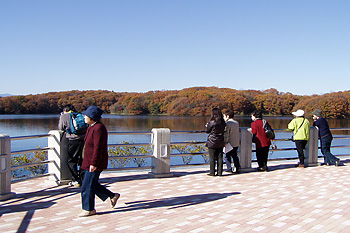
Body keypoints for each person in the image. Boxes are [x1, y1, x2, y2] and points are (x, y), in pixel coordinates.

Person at [79, 105, 120, 217]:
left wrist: (94, 163)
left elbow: (98, 147)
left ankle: (89, 209)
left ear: (92, 117)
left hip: (94, 162)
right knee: (90, 184)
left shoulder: (99, 128)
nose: (84, 117)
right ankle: (112, 196)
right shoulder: (91, 127)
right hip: (87, 161)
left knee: (87, 186)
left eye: (86, 115)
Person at [58, 104, 85, 187]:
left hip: (73, 140)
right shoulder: (80, 115)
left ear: (65, 110)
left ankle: (76, 180)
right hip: (84, 139)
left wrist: (62, 117)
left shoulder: (64, 116)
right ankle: (83, 178)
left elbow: (60, 128)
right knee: (82, 160)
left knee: (71, 160)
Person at [205, 108, 226, 176]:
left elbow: (207, 131)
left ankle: (212, 172)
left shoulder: (212, 122)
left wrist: (207, 126)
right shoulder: (223, 122)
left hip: (212, 141)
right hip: (220, 141)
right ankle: (220, 172)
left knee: (212, 157)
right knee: (220, 157)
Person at [223, 110, 241, 174]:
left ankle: (229, 168)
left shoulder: (228, 124)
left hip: (230, 143)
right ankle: (238, 167)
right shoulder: (236, 123)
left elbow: (227, 134)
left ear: (227, 116)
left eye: (224, 116)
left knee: (227, 156)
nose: (223, 117)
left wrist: (225, 142)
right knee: (235, 155)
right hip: (236, 142)